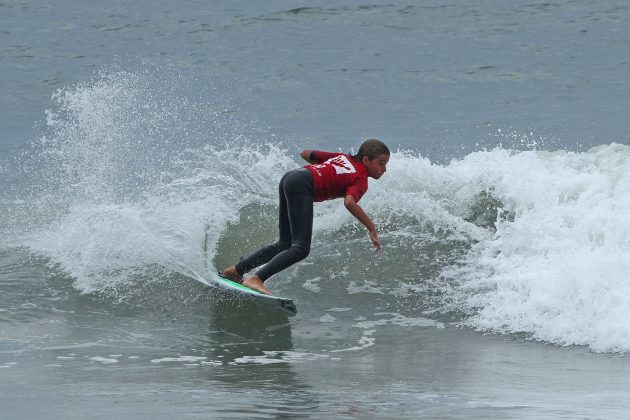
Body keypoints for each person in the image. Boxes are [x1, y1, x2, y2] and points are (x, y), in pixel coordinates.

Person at [220, 139, 390, 295]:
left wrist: (326, 172)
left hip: (291, 177)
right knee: (301, 248)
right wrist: (371, 227)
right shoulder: (361, 178)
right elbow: (349, 202)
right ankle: (256, 279)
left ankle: (235, 271)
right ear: (366, 160)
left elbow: (306, 154)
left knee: (284, 244)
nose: (384, 169)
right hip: (303, 185)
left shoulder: (342, 158)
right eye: (381, 164)